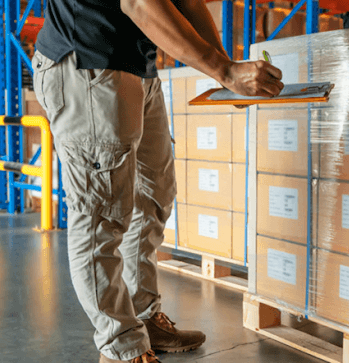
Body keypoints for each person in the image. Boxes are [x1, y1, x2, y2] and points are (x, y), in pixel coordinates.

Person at [32, 0, 284, 362]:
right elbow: (137, 2)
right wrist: (226, 71)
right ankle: (120, 345)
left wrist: (224, 70)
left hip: (138, 67)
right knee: (101, 217)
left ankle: (143, 317)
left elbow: (188, 2)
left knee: (154, 196)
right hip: (88, 62)